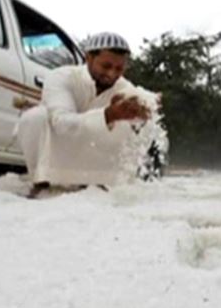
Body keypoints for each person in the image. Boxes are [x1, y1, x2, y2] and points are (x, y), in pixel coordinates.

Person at [16, 32, 152, 198]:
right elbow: (62, 124)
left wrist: (146, 113)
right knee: (35, 117)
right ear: (88, 58)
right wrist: (108, 115)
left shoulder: (125, 88)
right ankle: (41, 181)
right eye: (106, 66)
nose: (112, 74)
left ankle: (99, 181)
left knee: (127, 124)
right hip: (58, 148)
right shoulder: (62, 76)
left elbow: (138, 130)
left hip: (94, 159)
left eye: (119, 69)